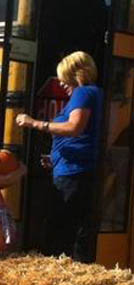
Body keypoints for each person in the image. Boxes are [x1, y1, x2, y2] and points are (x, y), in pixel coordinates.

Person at [16, 51, 104, 262]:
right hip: (75, 169)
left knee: (59, 231)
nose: (62, 83)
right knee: (78, 230)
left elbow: (75, 127)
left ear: (77, 74)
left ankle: (60, 275)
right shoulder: (97, 93)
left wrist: (35, 123)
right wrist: (55, 157)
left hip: (72, 173)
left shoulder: (83, 93)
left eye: (65, 78)